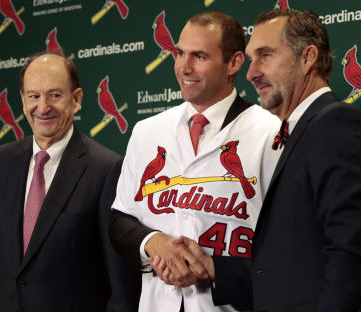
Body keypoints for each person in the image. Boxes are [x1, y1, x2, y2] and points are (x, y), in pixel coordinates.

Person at [156, 9, 361, 311]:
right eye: (251, 58)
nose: (251, 72)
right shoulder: (302, 131)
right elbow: (294, 267)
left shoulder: (337, 126)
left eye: (266, 55)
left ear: (307, 57)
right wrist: (212, 268)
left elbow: (353, 260)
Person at [109, 11, 281, 312]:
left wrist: (211, 267)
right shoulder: (147, 131)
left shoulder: (270, 133)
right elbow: (120, 220)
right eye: (179, 53)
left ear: (235, 62)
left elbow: (286, 251)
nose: (184, 67)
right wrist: (152, 242)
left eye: (199, 56)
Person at [0, 52, 140, 312]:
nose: (43, 107)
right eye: (34, 96)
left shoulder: (106, 168)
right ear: (23, 101)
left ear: (76, 99)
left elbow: (121, 285)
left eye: (55, 95)